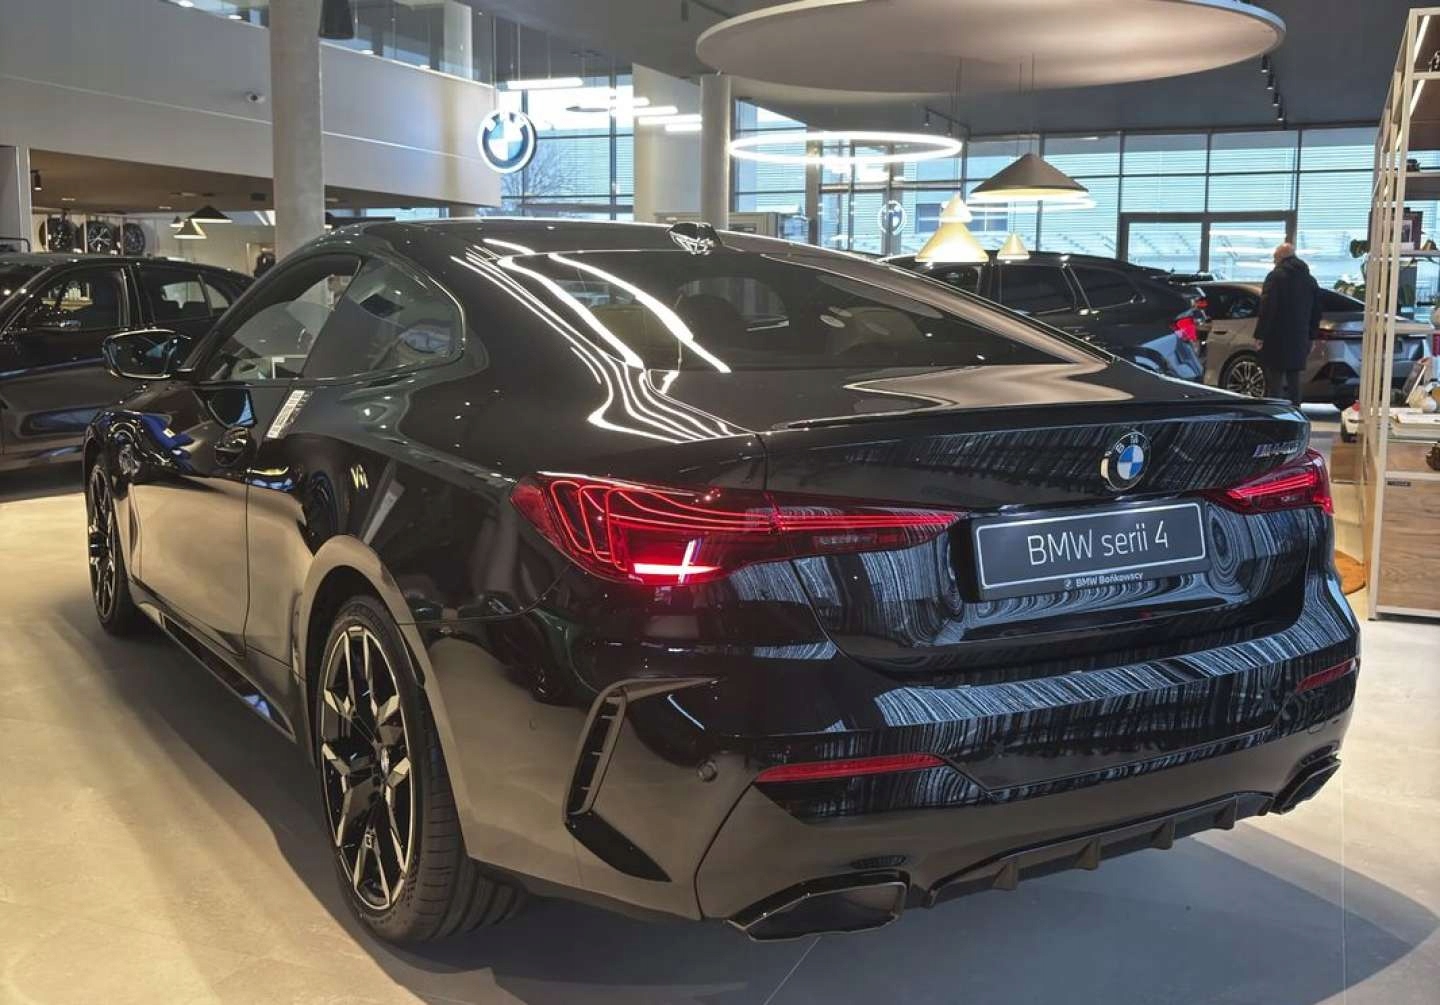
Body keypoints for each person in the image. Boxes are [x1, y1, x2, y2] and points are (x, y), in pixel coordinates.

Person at [1254, 242, 1321, 406]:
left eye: (1275, 257)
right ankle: (1296, 411)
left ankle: (1276, 413)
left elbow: (1267, 308)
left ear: (1281, 257)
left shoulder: (1275, 277)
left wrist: (1260, 335)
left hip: (1276, 337)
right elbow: (1316, 311)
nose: (1274, 261)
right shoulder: (1309, 280)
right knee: (1294, 378)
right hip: (1299, 336)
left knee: (1275, 379)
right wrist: (1311, 336)